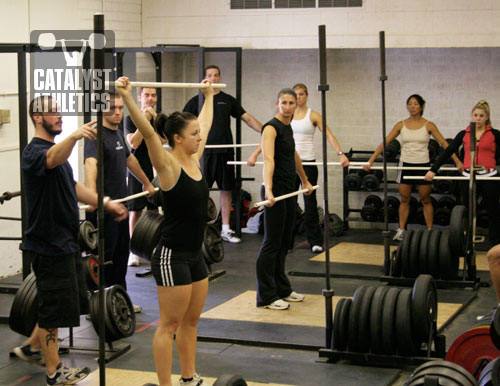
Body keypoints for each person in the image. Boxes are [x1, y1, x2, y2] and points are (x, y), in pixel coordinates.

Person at [14, 95, 127, 385]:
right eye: (52, 112)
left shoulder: (57, 154)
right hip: (48, 245)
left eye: (59, 111)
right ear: (37, 118)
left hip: (65, 242)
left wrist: (105, 202)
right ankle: (55, 373)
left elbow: (74, 187)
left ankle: (32, 346)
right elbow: (51, 160)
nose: (59, 116)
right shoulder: (35, 152)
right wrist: (76, 136)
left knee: (66, 303)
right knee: (53, 311)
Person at [116, 76, 214, 386]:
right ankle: (165, 384)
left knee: (191, 321)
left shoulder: (195, 159)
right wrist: (128, 96)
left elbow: (207, 124)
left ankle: (188, 376)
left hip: (194, 255)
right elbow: (147, 132)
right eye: (193, 134)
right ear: (177, 138)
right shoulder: (168, 166)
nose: (200, 137)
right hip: (171, 257)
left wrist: (208, 95)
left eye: (199, 133)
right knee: (168, 325)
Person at [248, 83, 349, 253]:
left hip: (306, 164)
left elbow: (328, 134)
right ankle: (287, 243)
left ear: (305, 97)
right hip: (286, 167)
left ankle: (315, 241)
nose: (295, 101)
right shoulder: (280, 121)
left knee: (310, 205)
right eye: (288, 100)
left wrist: (340, 153)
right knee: (290, 206)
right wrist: (255, 154)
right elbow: (269, 142)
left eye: (300, 95)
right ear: (280, 103)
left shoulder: (312, 116)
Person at [84, 92, 155, 307]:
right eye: (112, 108)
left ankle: (119, 301)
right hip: (103, 209)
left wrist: (146, 182)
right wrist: (92, 196)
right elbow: (90, 164)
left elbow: (130, 159)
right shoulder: (96, 135)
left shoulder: (116, 135)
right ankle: (99, 306)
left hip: (121, 207)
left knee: (121, 257)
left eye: (120, 108)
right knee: (104, 259)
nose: (117, 112)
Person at [183, 65, 262, 244]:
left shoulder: (228, 100)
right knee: (200, 191)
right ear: (204, 78)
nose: (212, 78)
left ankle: (226, 229)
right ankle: (198, 230)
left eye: (216, 76)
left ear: (220, 78)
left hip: (225, 152)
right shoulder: (196, 101)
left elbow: (247, 118)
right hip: (204, 154)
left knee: (226, 190)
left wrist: (267, 131)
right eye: (209, 75)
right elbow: (182, 123)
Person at [364, 94, 461, 241]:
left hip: (423, 165)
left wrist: (458, 162)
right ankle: (402, 229)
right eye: (410, 104)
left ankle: (429, 231)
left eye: (415, 104)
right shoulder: (400, 125)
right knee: (404, 199)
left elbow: (444, 144)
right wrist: (371, 160)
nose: (412, 107)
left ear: (421, 106)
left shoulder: (429, 125)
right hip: (405, 165)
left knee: (426, 199)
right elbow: (385, 143)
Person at [256, 88, 314, 310]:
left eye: (292, 102)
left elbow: (294, 155)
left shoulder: (288, 127)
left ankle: (282, 288)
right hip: (276, 190)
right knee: (272, 243)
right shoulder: (271, 128)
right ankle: (266, 296)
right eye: (284, 103)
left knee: (284, 243)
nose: (288, 106)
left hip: (290, 188)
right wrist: (269, 190)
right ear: (277, 104)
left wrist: (305, 180)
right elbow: (268, 159)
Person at [425, 100, 500, 247]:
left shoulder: (494, 134)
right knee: (466, 210)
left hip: (489, 176)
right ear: (471, 116)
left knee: (493, 211)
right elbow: (448, 151)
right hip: (468, 176)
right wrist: (433, 169)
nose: (477, 118)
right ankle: (466, 241)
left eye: (481, 116)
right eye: (475, 115)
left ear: (486, 117)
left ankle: (495, 244)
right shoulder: (464, 134)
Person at [125, 87, 164, 267]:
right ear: (139, 97)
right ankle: (134, 251)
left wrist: (154, 118)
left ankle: (155, 246)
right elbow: (134, 141)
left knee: (154, 210)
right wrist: (145, 119)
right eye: (146, 95)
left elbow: (163, 140)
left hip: (155, 168)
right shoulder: (129, 119)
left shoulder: (160, 119)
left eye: (153, 95)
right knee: (136, 210)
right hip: (137, 169)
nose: (150, 98)